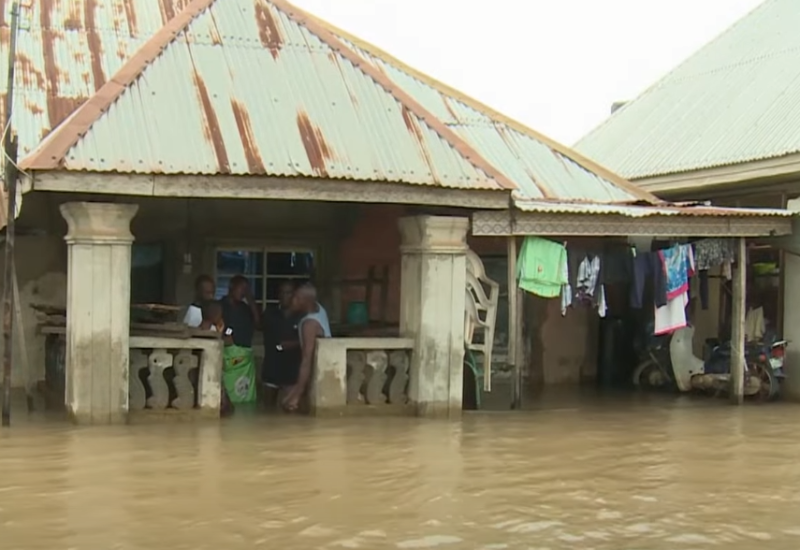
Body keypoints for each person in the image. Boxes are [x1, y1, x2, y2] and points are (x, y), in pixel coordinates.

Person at [282, 283, 331, 412]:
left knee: (289, 403)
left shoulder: (309, 324)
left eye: (297, 298)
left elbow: (307, 359)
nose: (292, 300)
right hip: (322, 369)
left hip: (318, 373)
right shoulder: (319, 309)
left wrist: (297, 394)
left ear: (305, 302)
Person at [220, 276, 260, 407]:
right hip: (228, 355)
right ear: (231, 286)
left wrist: (250, 300)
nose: (243, 292)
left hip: (244, 356)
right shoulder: (220, 306)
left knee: (245, 395)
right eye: (241, 288)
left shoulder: (245, 308)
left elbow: (258, 323)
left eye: (246, 289)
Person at [262, 281, 301, 408]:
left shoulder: (302, 317)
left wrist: (293, 344)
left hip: (292, 370)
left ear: (295, 295)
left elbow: (310, 340)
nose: (285, 296)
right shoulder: (269, 314)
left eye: (288, 292)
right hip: (271, 367)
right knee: (267, 409)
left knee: (290, 410)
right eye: (282, 292)